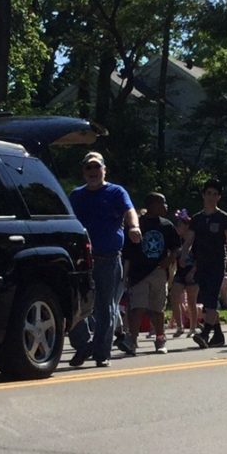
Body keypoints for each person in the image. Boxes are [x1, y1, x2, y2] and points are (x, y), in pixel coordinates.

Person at [67, 152, 142, 368]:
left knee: (105, 306)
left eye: (96, 168)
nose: (93, 172)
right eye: (88, 168)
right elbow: (68, 219)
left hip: (108, 258)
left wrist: (134, 227)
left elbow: (130, 211)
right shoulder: (76, 195)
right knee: (76, 304)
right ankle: (83, 344)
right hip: (82, 259)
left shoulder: (116, 192)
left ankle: (101, 353)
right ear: (84, 172)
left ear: (104, 169)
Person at [180, 179, 227, 349]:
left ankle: (205, 333)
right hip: (201, 264)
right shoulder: (197, 219)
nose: (211, 197)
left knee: (211, 299)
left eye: (215, 194)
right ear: (203, 195)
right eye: (208, 193)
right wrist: (184, 256)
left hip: (217, 264)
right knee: (207, 302)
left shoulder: (223, 218)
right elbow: (189, 240)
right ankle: (218, 335)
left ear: (219, 197)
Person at [122, 192, 180, 355]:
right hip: (139, 273)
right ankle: (132, 340)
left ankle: (160, 339)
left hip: (158, 272)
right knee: (138, 307)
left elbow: (176, 247)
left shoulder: (167, 225)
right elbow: (127, 252)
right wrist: (125, 275)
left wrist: (169, 260)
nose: (165, 206)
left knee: (157, 309)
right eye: (162, 203)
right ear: (152, 205)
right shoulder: (136, 225)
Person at [169, 209, 198, 337]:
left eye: (180, 225)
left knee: (192, 301)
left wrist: (193, 272)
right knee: (174, 296)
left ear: (187, 226)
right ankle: (179, 326)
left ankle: (193, 327)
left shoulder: (195, 241)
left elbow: (200, 259)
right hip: (180, 273)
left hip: (192, 272)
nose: (177, 228)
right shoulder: (178, 241)